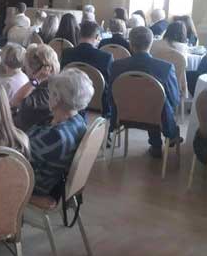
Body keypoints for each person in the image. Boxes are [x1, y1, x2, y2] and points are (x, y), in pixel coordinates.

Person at [110, 26, 181, 158]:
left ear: (130, 44)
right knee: (158, 101)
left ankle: (156, 144)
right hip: (157, 118)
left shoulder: (116, 66)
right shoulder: (165, 67)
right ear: (151, 43)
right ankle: (167, 138)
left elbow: (111, 95)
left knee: (149, 100)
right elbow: (175, 98)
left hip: (124, 115)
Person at [27, 68, 94, 197]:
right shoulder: (79, 121)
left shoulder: (55, 136)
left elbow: (21, 156)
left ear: (57, 99)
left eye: (50, 93)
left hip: (35, 186)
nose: (48, 96)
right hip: (53, 180)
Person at [60, 21, 113, 116]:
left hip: (70, 100)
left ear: (79, 35)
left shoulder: (66, 53)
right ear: (97, 37)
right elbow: (110, 85)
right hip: (98, 104)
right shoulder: (106, 57)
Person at [11, 43, 60, 131]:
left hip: (23, 133)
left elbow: (15, 102)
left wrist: (36, 79)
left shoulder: (44, 93)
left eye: (26, 66)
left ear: (35, 69)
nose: (24, 69)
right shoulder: (51, 84)